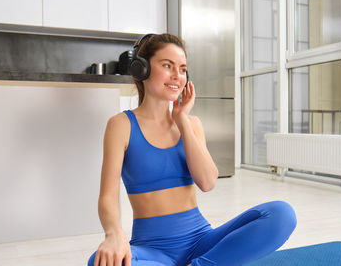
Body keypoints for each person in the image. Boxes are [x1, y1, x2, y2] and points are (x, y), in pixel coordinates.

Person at [88, 33, 296, 266]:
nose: (177, 76)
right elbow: (107, 196)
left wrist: (182, 120)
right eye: (167, 66)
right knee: (98, 261)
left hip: (202, 242)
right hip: (152, 251)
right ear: (141, 69)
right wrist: (113, 233)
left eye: (183, 69)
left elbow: (207, 182)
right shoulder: (121, 125)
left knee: (281, 214)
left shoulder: (192, 124)